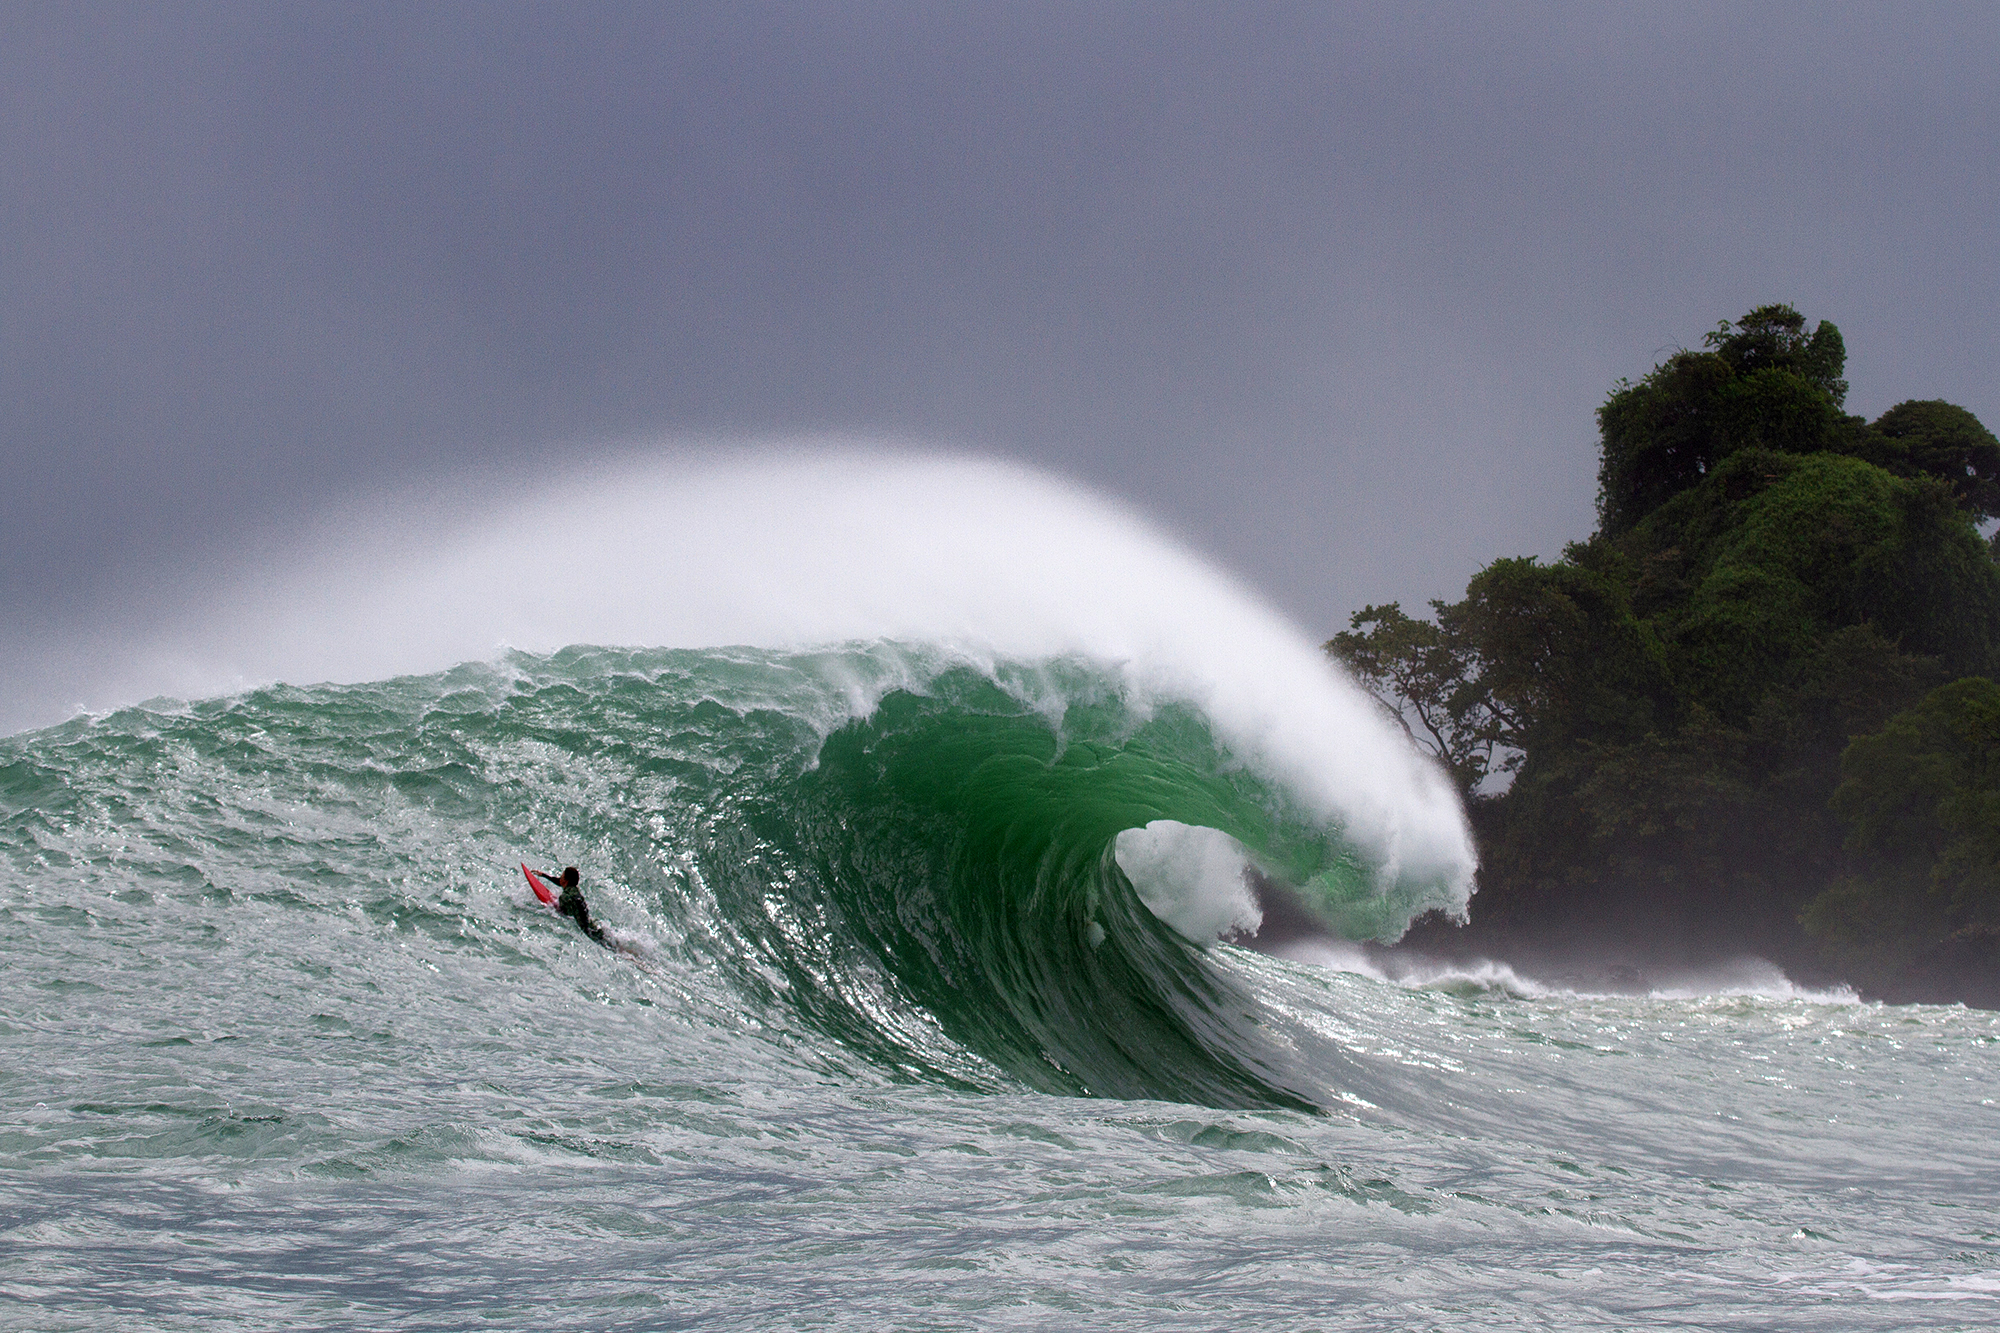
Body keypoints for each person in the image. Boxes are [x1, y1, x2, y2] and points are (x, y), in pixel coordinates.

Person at [540, 866, 609, 948]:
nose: (560, 878)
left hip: (587, 932)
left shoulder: (565, 897)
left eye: (561, 877)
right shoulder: (574, 890)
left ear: (566, 881)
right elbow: (559, 882)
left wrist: (550, 907)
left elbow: (564, 913)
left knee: (608, 948)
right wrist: (543, 875)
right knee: (612, 944)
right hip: (592, 926)